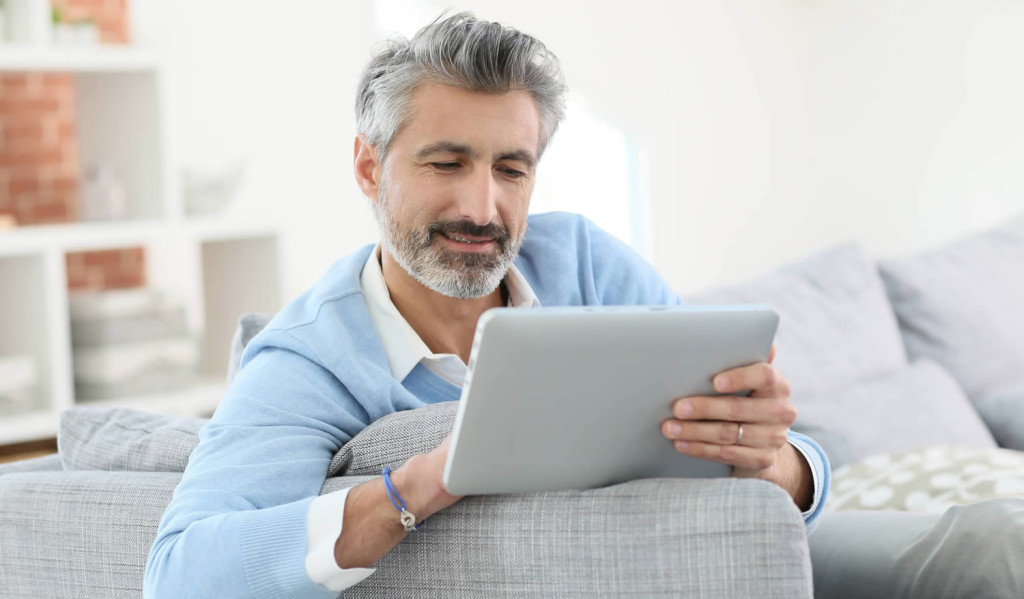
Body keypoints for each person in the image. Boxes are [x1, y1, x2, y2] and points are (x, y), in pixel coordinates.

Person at [144, 13, 829, 598]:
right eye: (446, 164)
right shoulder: (308, 358)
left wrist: (770, 460)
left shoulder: (587, 267)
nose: (482, 209)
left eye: (511, 169)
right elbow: (177, 571)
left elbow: (806, 474)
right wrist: (420, 483)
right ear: (368, 168)